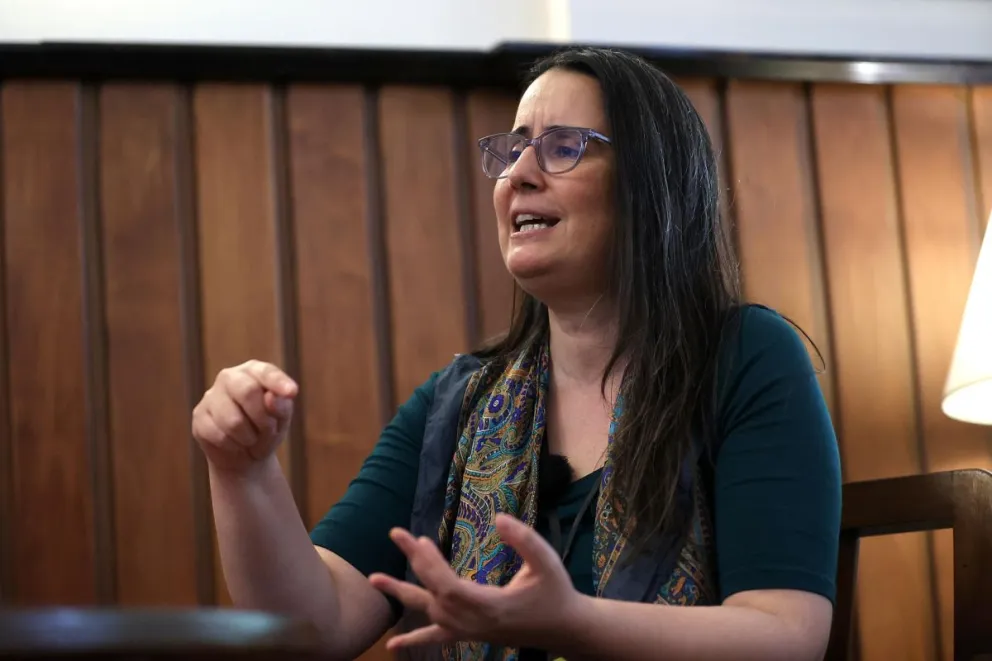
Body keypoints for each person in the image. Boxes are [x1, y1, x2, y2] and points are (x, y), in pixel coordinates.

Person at [192, 47, 842, 661]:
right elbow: (314, 626)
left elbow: (785, 633)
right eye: (511, 150)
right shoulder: (459, 403)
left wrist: (572, 620)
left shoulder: (747, 357)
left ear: (653, 185)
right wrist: (243, 474)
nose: (517, 175)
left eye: (562, 147)